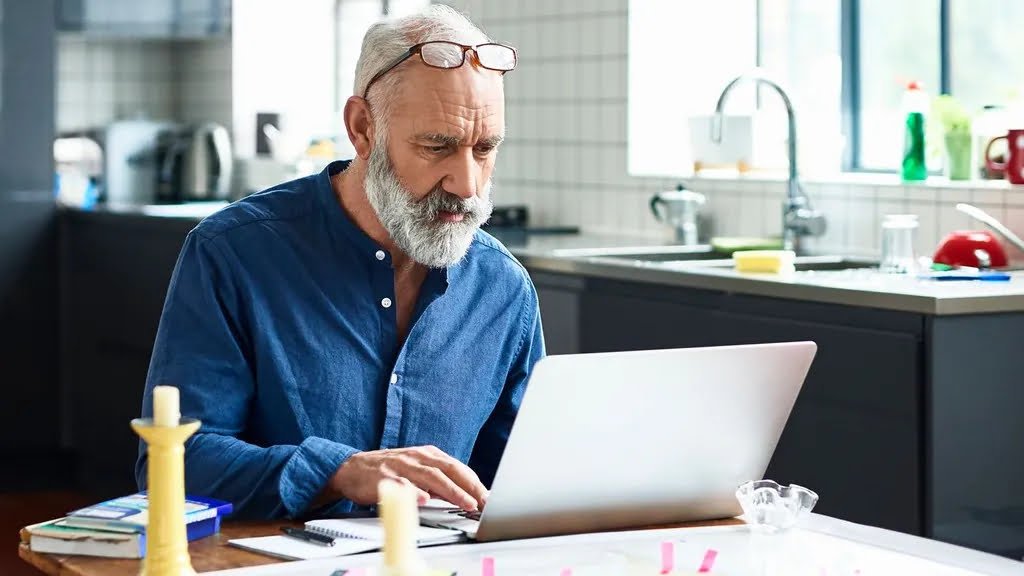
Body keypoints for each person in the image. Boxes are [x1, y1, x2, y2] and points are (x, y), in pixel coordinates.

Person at [135, 5, 544, 520]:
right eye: (437, 147)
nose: (467, 184)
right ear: (362, 128)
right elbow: (173, 462)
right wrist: (338, 472)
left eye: (485, 148)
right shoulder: (233, 254)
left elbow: (521, 478)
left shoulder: (502, 287)